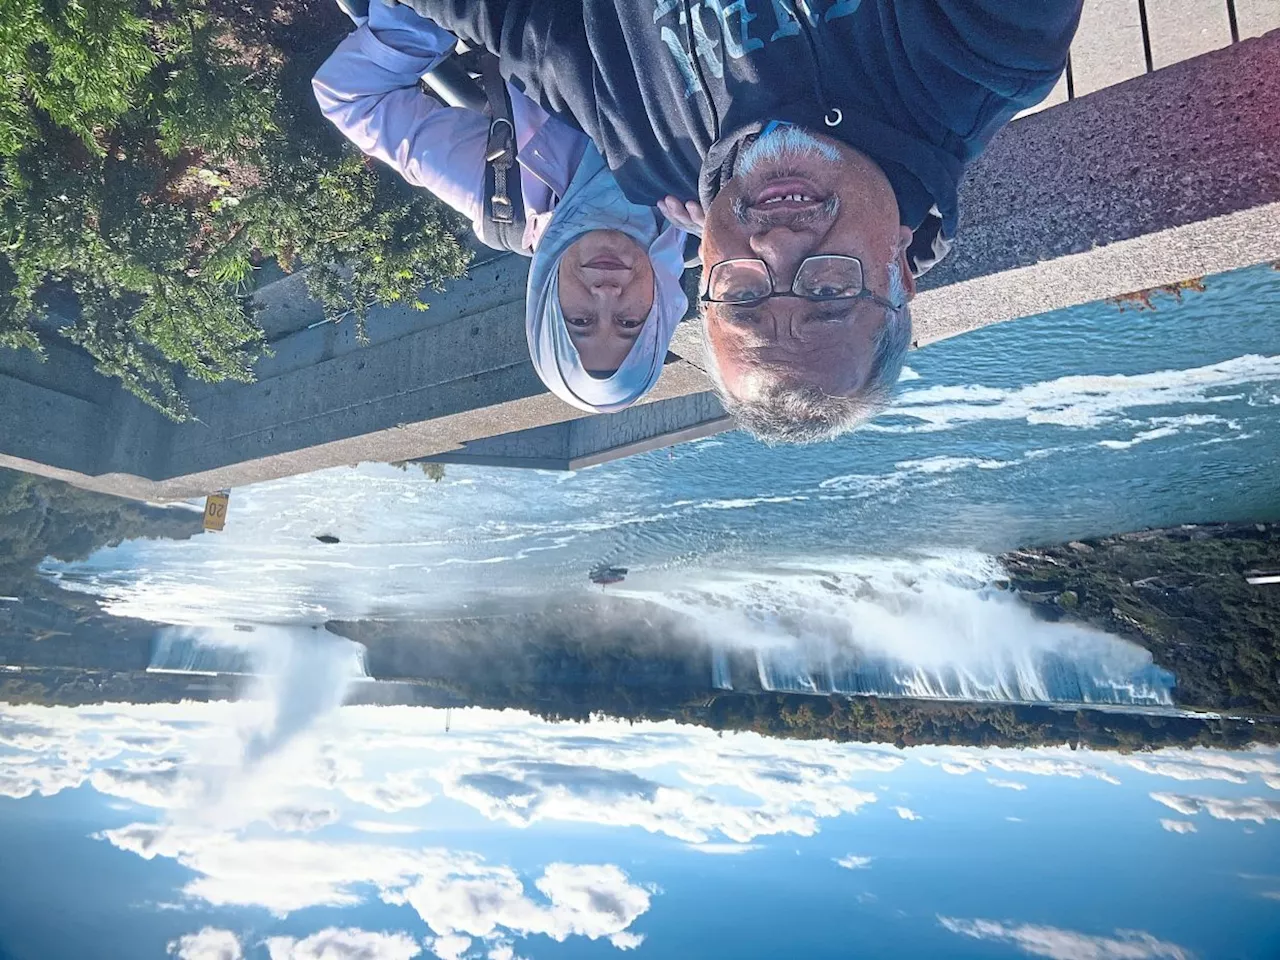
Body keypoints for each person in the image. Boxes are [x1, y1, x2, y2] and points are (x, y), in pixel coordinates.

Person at [390, 0, 1083, 441]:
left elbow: (512, 22)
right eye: (828, 293)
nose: (779, 244)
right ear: (899, 269)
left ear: (701, 285)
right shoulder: (985, 50)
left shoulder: (649, 156)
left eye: (746, 297)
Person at [312, 0, 688, 413]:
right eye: (628, 323)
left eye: (579, 321)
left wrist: (452, 15)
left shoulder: (507, 199)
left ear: (547, 301)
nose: (605, 295)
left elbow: (356, 99)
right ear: (658, 313)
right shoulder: (724, 203)